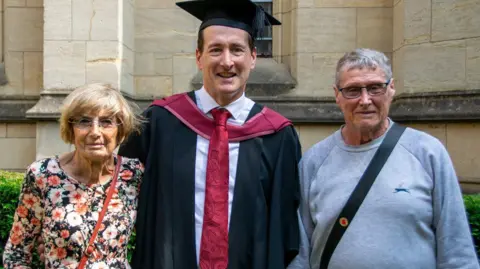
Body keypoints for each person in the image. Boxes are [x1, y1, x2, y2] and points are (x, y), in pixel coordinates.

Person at [117, 0, 302, 268]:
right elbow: (118, 197)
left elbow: (286, 228)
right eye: (216, 49)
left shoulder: (278, 135)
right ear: (198, 57)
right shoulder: (159, 122)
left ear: (252, 57)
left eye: (237, 50)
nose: (227, 61)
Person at [288, 48, 479, 269]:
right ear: (337, 95)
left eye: (375, 88)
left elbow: (457, 249)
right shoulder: (314, 161)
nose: (365, 100)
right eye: (352, 90)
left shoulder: (427, 153)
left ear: (391, 88)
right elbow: (299, 255)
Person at [3, 83, 144, 269]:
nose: (95, 132)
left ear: (121, 131)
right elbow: (17, 253)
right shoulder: (43, 175)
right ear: (71, 130)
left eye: (106, 122)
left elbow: (156, 238)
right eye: (84, 121)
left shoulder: (134, 175)